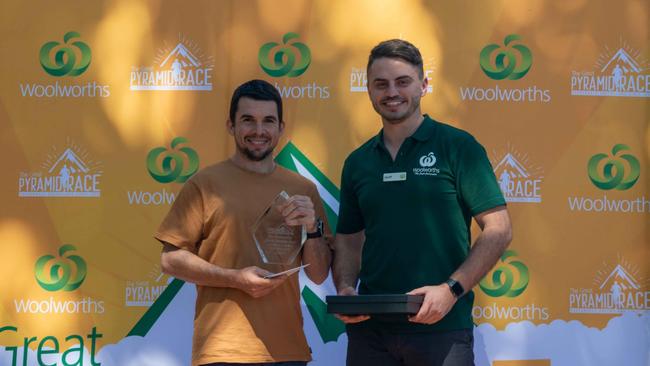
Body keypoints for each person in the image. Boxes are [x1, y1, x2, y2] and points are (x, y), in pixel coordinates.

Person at [332, 39, 513, 366]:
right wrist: (345, 288)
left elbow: (498, 229)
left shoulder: (458, 147)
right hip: (370, 332)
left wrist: (451, 290)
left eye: (403, 82)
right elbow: (348, 238)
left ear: (424, 85)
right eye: (381, 84)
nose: (392, 92)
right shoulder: (358, 162)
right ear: (369, 90)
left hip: (441, 327)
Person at [156, 79, 332, 366]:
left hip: (287, 351)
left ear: (281, 128)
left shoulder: (303, 189)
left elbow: (319, 274)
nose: (259, 131)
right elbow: (170, 261)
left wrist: (313, 229)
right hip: (222, 351)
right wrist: (234, 279)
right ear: (231, 125)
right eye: (248, 120)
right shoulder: (204, 184)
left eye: (268, 121)